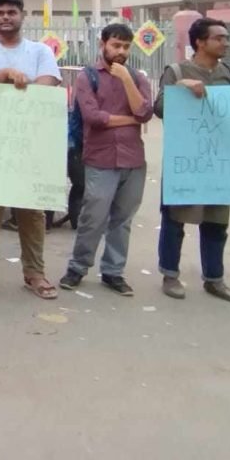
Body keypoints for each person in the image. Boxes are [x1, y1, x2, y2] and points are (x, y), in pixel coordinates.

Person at [0, 0, 62, 300]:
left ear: (22, 16)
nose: (6, 17)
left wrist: (21, 83)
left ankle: (35, 272)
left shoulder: (39, 52)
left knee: (32, 211)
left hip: (31, 142)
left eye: (12, 12)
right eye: (1, 13)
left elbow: (49, 84)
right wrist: (4, 74)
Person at [58, 24, 153, 296]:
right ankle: (77, 267)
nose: (120, 51)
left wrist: (125, 80)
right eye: (115, 45)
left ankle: (113, 271)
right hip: (100, 158)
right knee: (93, 217)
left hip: (133, 160)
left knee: (123, 220)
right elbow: (94, 118)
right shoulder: (88, 77)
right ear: (103, 45)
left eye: (125, 46)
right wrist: (129, 119)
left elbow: (145, 113)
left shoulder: (137, 77)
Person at [153, 17, 230, 302]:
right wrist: (181, 87)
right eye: (220, 38)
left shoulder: (228, 73)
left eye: (226, 38)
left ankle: (214, 278)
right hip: (186, 159)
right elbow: (161, 108)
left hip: (217, 161)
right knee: (174, 219)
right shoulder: (176, 70)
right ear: (201, 42)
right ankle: (170, 274)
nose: (226, 42)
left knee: (216, 221)